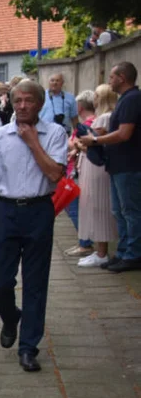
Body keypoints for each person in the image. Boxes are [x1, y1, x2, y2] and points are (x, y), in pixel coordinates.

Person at [0, 79, 69, 372]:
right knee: (0, 281)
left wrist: (32, 142)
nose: (23, 106)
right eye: (18, 101)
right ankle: (11, 317)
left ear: (39, 103)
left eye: (29, 100)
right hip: (4, 211)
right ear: (12, 104)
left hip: (39, 210)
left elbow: (55, 173)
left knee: (36, 283)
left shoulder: (55, 133)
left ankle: (28, 347)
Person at [81, 62, 141, 273]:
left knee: (131, 211)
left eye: (112, 77)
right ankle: (124, 251)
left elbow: (125, 134)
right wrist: (103, 131)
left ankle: (134, 254)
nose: (109, 81)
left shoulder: (132, 99)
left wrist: (96, 141)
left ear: (122, 78)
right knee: (119, 211)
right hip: (119, 166)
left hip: (129, 165)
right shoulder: (126, 100)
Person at [72, 86, 117, 267]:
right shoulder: (105, 117)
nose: (95, 98)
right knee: (95, 206)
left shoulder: (105, 117)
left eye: (97, 95)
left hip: (96, 167)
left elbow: (96, 145)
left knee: (98, 207)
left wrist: (81, 143)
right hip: (93, 165)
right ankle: (100, 250)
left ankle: (101, 252)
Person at [64, 92, 98, 257]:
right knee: (74, 206)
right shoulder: (88, 122)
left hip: (80, 170)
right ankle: (83, 241)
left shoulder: (88, 124)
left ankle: (85, 242)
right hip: (77, 168)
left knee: (74, 207)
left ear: (80, 107)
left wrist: (72, 144)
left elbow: (88, 146)